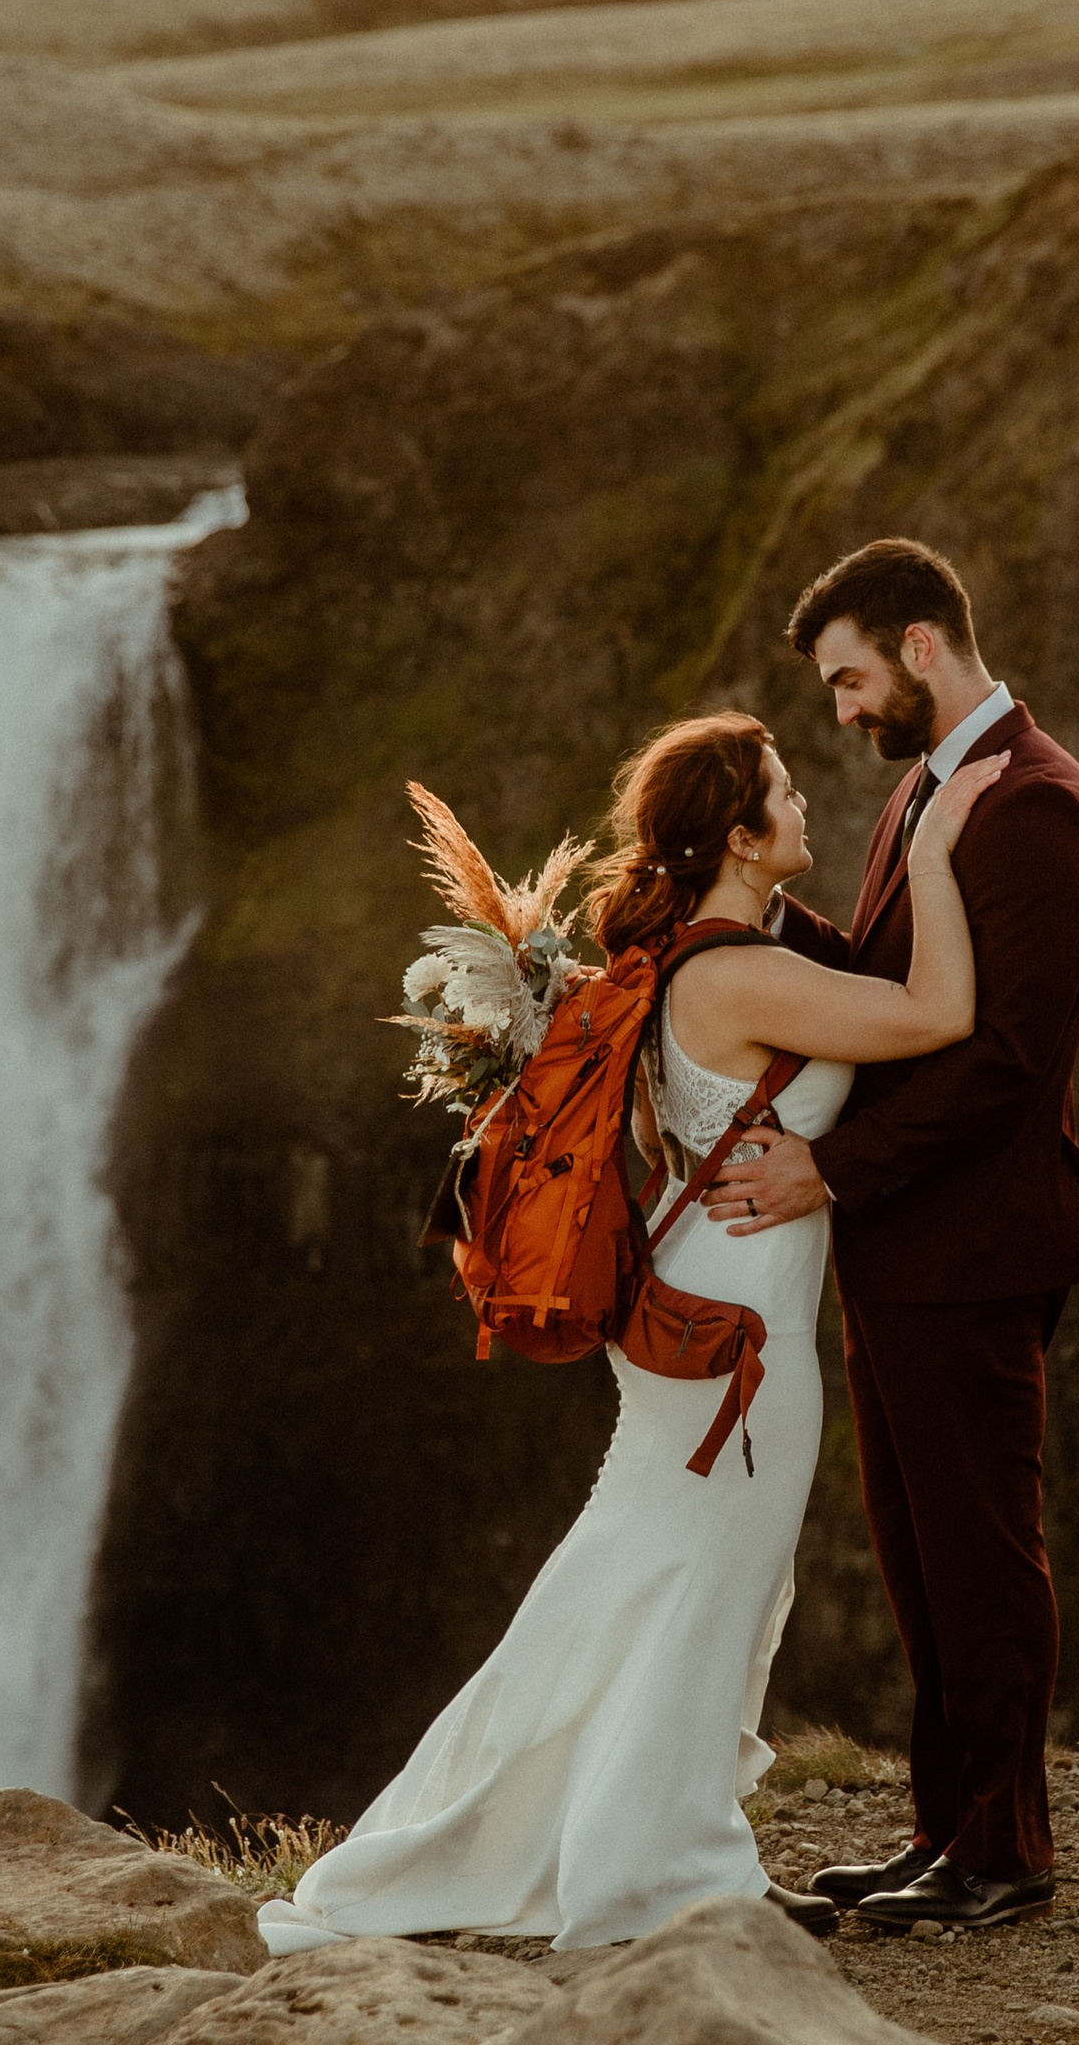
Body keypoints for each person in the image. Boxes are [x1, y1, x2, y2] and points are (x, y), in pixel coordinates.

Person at [256, 710, 1005, 1956]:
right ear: (741, 835)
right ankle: (655, 1869)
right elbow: (938, 1014)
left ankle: (645, 1840)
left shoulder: (681, 959)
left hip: (696, 1292)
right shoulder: (737, 972)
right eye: (783, 791)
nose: (805, 806)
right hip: (735, 1330)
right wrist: (931, 857)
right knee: (698, 1582)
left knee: (651, 1574)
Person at [705, 537, 1079, 1934]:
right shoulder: (935, 795)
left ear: (924, 647)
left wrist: (828, 1169)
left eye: (849, 677)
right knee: (918, 1550)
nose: (841, 709)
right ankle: (946, 1832)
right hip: (908, 1253)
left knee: (984, 1550)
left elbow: (1003, 1061)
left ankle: (1006, 1850)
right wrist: (718, 929)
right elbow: (890, 987)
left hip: (977, 1250)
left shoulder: (1040, 814)